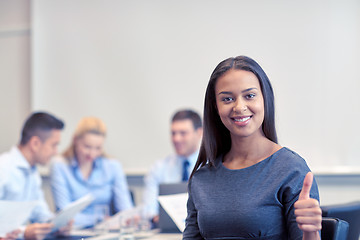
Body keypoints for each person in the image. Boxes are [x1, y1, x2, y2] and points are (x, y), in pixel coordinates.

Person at [183, 56, 322, 240]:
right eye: (227, 99)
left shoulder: (291, 170)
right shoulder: (202, 179)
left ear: (265, 99)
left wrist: (311, 232)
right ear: (215, 107)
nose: (239, 107)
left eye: (249, 95)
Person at [50, 117, 133, 228]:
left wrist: (129, 218)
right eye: (87, 147)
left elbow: (126, 210)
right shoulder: (60, 166)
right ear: (75, 140)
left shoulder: (113, 166)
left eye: (98, 148)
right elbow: (64, 216)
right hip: (73, 232)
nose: (92, 154)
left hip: (105, 232)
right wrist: (100, 219)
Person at [0, 112, 72, 240]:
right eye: (54, 145)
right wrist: (24, 232)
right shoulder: (3, 169)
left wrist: (57, 225)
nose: (56, 152)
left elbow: (40, 213)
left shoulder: (32, 172)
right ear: (35, 144)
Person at [143, 109, 203, 224]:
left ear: (199, 133)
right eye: (173, 133)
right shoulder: (159, 168)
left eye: (183, 133)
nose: (176, 139)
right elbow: (148, 209)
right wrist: (159, 218)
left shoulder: (212, 166)